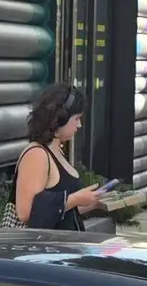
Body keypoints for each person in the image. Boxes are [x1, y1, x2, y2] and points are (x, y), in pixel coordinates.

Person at [13, 82, 109, 230]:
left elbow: (63, 211)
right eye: (76, 119)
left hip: (62, 246)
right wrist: (75, 199)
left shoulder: (57, 151)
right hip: (45, 248)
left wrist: (93, 201)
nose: (79, 125)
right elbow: (27, 213)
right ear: (60, 118)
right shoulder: (37, 155)